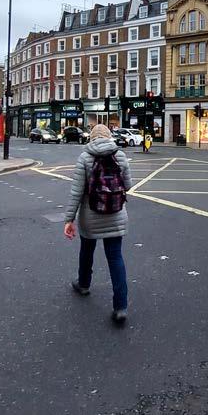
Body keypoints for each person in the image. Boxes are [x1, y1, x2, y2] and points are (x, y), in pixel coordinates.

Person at [64, 124, 132, 324]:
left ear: (92, 138)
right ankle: (120, 307)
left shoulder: (85, 157)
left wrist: (69, 219)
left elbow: (76, 193)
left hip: (90, 215)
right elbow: (128, 186)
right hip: (116, 214)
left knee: (87, 251)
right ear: (109, 136)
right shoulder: (120, 156)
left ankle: (84, 284)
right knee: (115, 258)